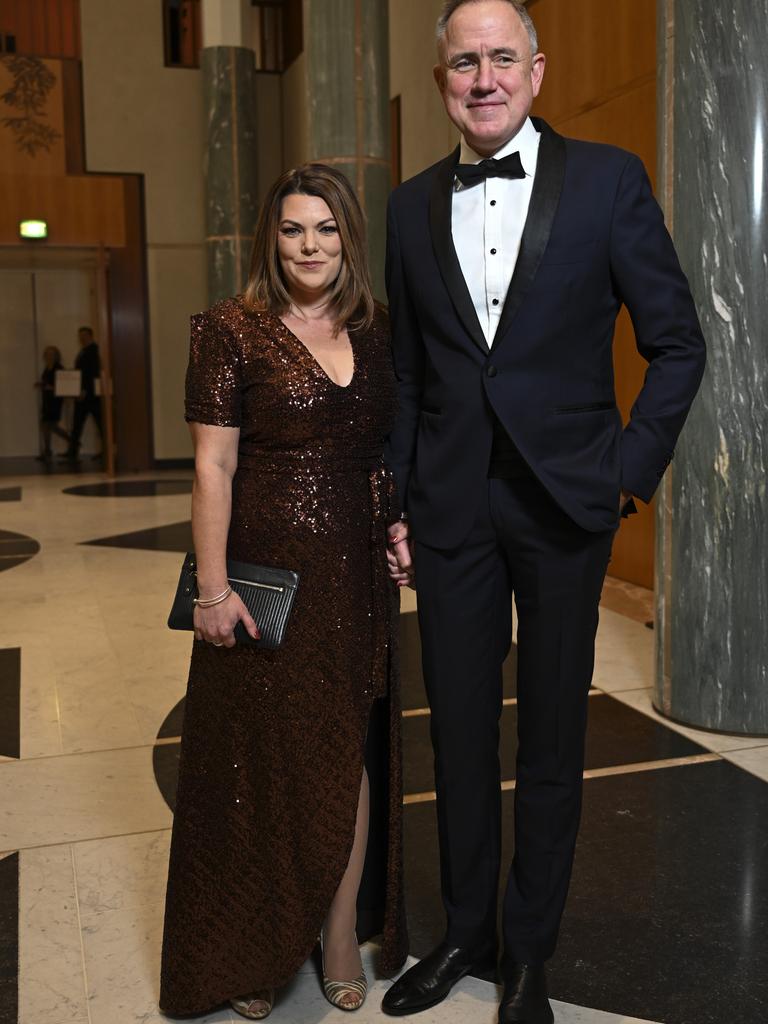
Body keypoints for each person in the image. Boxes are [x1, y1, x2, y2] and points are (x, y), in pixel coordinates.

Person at [382, 2, 706, 1022]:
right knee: (460, 737)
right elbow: (404, 375)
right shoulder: (405, 206)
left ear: (538, 70)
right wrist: (394, 497)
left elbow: (679, 342)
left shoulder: (607, 179)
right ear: (443, 79)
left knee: (552, 742)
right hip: (450, 509)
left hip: (569, 503)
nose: (483, 77)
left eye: (502, 59)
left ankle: (531, 951)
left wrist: (626, 472)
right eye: (464, 62)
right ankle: (464, 934)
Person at [160, 164, 408, 1021]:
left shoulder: (375, 333)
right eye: (294, 230)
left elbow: (379, 457)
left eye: (327, 230)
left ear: (350, 238)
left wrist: (396, 527)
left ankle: (338, 937)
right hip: (262, 583)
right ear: (273, 237)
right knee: (254, 764)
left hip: (354, 581)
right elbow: (212, 464)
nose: (310, 246)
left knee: (344, 755)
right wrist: (214, 590)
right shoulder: (230, 329)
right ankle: (254, 945)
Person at [65, 326, 102, 460]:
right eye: (80, 336)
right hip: (83, 393)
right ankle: (72, 450)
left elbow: (91, 373)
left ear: (90, 336)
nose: (81, 338)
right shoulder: (84, 351)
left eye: (84, 335)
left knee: (100, 423)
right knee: (77, 423)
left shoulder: (93, 350)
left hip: (90, 395)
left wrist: (84, 390)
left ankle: (106, 451)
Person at [34, 345, 70, 460]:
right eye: (47, 354)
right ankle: (73, 442)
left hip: (55, 401)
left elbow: (63, 386)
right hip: (47, 400)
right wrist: (41, 385)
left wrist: (50, 387)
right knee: (51, 426)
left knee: (47, 425)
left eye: (51, 354)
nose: (49, 356)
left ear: (56, 356)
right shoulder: (47, 368)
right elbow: (47, 383)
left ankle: (48, 450)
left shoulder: (59, 368)